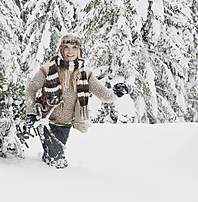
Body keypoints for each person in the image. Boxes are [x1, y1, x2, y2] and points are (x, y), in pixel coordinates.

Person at [25, 34, 128, 169]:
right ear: (61, 49)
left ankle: (47, 179)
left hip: (66, 124)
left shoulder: (84, 73)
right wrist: (30, 113)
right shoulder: (49, 68)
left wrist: (116, 93)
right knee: (57, 162)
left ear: (80, 50)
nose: (70, 51)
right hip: (47, 122)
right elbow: (31, 89)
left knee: (51, 159)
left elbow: (103, 94)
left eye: (74, 47)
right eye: (66, 47)